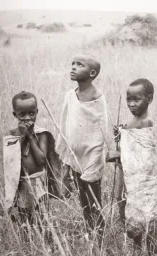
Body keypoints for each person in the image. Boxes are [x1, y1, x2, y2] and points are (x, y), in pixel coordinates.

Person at [106, 78, 157, 256]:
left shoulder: (145, 123)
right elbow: (129, 148)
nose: (131, 104)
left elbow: (141, 156)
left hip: (143, 179)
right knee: (133, 215)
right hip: (131, 178)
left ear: (149, 99)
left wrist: (119, 145)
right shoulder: (133, 123)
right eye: (128, 100)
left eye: (136, 99)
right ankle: (139, 253)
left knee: (147, 216)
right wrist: (122, 134)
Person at [56, 53, 107, 236]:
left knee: (93, 198)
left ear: (92, 73)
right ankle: (89, 230)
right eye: (72, 63)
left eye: (79, 64)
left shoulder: (97, 97)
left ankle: (99, 233)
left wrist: (96, 159)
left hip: (91, 157)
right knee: (83, 198)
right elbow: (65, 124)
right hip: (75, 156)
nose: (73, 67)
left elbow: (101, 130)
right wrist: (65, 156)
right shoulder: (71, 96)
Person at [3, 91, 61, 240]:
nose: (27, 118)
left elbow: (42, 160)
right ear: (15, 114)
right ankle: (27, 243)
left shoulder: (41, 134)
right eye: (22, 114)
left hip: (39, 181)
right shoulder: (12, 135)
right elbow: (13, 158)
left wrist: (30, 136)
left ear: (37, 112)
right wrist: (22, 137)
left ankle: (47, 242)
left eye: (31, 113)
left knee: (43, 215)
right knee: (24, 216)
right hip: (22, 183)